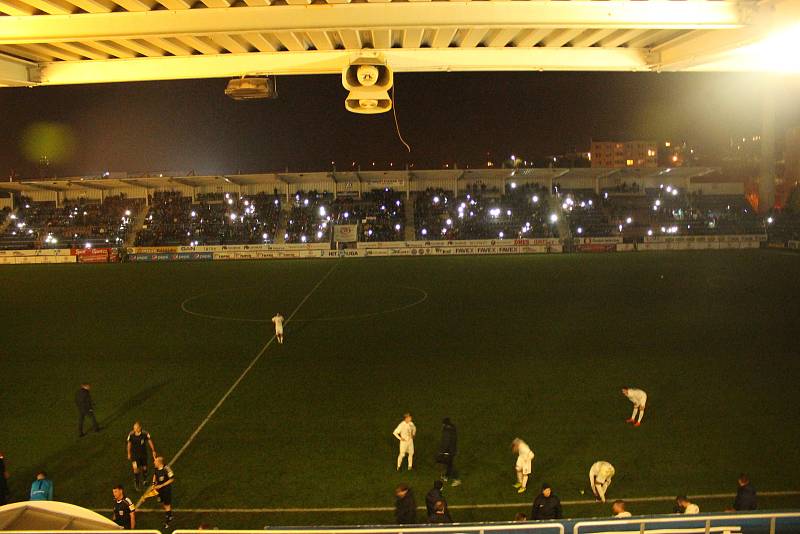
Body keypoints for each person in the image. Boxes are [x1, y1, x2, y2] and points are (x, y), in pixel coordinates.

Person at [127, 421, 157, 491]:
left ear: (140, 427)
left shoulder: (145, 433)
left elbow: (149, 441)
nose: (135, 429)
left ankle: (144, 480)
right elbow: (129, 444)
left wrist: (153, 450)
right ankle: (137, 484)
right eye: (134, 428)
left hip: (143, 455)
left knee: (145, 468)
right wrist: (129, 453)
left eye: (136, 428)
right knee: (136, 469)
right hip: (134, 456)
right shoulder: (131, 435)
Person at [436, 417, 460, 486]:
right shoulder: (453, 429)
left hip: (449, 451)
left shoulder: (446, 431)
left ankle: (456, 479)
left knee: (450, 464)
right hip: (453, 449)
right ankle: (446, 476)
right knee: (449, 464)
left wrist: (442, 451)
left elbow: (446, 442)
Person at [152, 457, 175, 528]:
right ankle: (169, 514)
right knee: (162, 503)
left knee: (167, 504)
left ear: (159, 462)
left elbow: (172, 479)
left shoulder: (167, 469)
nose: (154, 463)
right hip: (160, 490)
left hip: (166, 490)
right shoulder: (156, 468)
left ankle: (168, 521)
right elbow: (155, 475)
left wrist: (161, 485)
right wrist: (153, 483)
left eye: (155, 462)